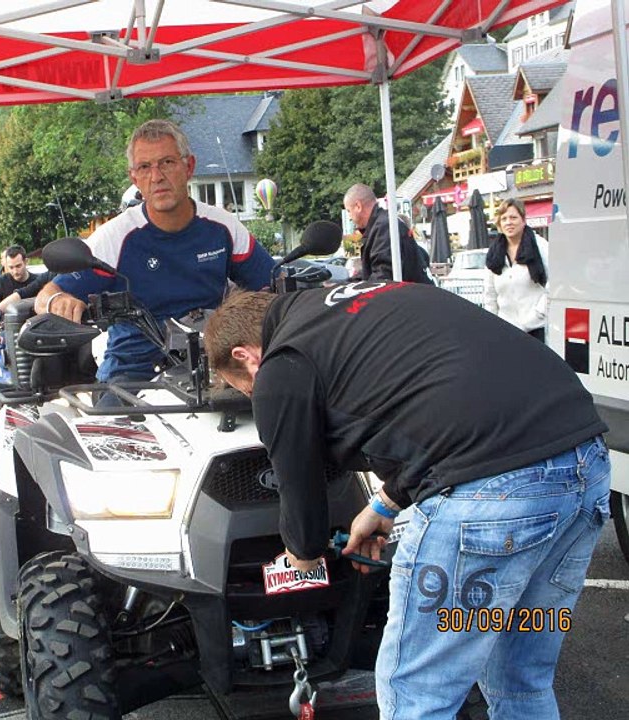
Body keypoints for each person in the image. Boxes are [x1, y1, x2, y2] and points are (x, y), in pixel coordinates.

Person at [203, 284, 610, 720]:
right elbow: (438, 405)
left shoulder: (281, 365)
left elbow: (299, 491)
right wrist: (384, 505)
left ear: (247, 355)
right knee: (521, 678)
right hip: (585, 475)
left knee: (417, 691)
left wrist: (301, 557)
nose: (251, 394)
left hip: (492, 506)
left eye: (243, 388)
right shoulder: (363, 303)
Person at [34, 118, 273, 383]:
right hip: (132, 373)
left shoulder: (223, 227)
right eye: (145, 167)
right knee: (106, 421)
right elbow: (45, 296)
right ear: (134, 178)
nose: (157, 176)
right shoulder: (114, 238)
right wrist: (58, 302)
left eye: (167, 163)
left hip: (215, 368)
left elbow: (272, 284)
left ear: (189, 166)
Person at [484, 198, 549, 341]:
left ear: (523, 220)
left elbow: (554, 284)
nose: (509, 222)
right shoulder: (495, 253)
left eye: (513, 217)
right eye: (504, 218)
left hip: (536, 329)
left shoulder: (540, 246)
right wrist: (492, 325)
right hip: (505, 331)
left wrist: (538, 314)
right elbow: (490, 295)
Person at [343, 184, 432, 284]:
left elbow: (383, 278)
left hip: (409, 296)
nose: (350, 217)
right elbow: (369, 274)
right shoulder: (384, 224)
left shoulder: (384, 227)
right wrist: (344, 285)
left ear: (358, 206)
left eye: (349, 211)